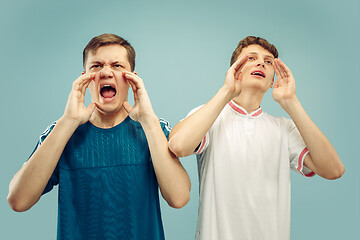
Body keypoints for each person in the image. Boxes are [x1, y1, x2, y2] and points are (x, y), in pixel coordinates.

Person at [7, 33, 191, 240]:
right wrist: (67, 122)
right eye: (96, 66)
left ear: (132, 79)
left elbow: (179, 198)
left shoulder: (153, 129)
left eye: (117, 66)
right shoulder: (61, 132)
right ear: (84, 77)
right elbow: (18, 200)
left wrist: (148, 121)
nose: (106, 72)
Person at [168, 36, 344, 240]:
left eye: (268, 62)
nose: (261, 63)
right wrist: (226, 91)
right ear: (235, 69)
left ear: (272, 81)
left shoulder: (283, 128)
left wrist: (291, 102)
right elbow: (178, 145)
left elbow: (334, 170)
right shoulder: (210, 116)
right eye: (251, 58)